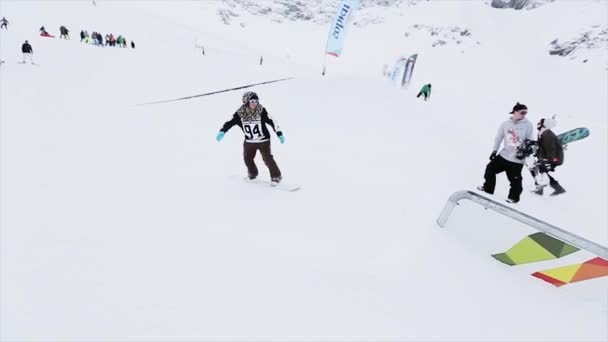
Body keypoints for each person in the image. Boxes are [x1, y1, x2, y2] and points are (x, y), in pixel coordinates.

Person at [216, 91, 285, 184]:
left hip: (263, 140)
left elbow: (272, 121)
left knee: (267, 158)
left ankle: (276, 176)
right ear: (246, 102)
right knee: (247, 158)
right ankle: (252, 174)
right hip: (249, 141)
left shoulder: (261, 111)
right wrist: (222, 131)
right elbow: (230, 122)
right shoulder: (240, 113)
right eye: (252, 101)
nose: (254, 103)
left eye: (256, 101)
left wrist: (279, 134)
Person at [478, 102, 535, 203]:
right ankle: (488, 189)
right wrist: (494, 150)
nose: (524, 115)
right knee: (490, 169)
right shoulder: (506, 124)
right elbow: (498, 137)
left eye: (525, 113)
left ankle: (513, 198)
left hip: (517, 159)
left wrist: (527, 150)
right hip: (504, 155)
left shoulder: (528, 125)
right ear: (515, 112)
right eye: (522, 112)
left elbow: (530, 140)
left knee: (515, 180)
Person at [529, 117, 566, 196]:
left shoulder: (547, 135)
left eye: (540, 123)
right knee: (541, 171)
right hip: (551, 157)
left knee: (537, 168)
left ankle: (540, 189)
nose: (538, 124)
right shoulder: (543, 132)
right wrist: (532, 143)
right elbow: (542, 144)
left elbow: (551, 149)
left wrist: (548, 160)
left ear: (544, 125)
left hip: (554, 158)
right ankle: (558, 188)